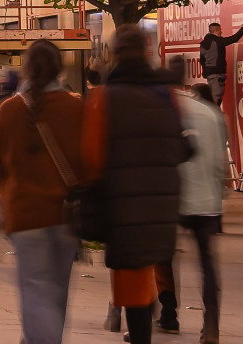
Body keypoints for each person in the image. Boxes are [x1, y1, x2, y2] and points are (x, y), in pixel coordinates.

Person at [81, 24, 188, 344]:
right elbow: (180, 146)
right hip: (163, 202)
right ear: (147, 53)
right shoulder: (167, 94)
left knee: (131, 277)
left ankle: (141, 333)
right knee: (153, 264)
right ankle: (155, 318)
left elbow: (91, 158)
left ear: (113, 56)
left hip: (122, 205)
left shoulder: (104, 98)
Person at [0, 39, 84, 344]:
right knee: (57, 292)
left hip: (26, 215)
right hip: (67, 214)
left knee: (35, 289)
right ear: (60, 68)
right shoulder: (77, 107)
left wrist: (11, 198)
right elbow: (89, 160)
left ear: (26, 68)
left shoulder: (9, 109)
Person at [156, 79, 229, 341]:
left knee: (162, 258)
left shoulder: (164, 111)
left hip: (172, 197)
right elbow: (221, 159)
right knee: (207, 264)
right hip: (207, 200)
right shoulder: (211, 113)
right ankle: (211, 324)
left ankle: (168, 313)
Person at [198, 22, 243, 106]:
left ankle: (212, 115)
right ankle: (214, 117)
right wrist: (242, 28)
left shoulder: (203, 44)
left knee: (212, 98)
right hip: (217, 75)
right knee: (216, 99)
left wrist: (207, 71)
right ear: (216, 31)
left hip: (209, 75)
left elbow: (202, 60)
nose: (221, 32)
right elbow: (233, 39)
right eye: (220, 30)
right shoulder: (217, 41)